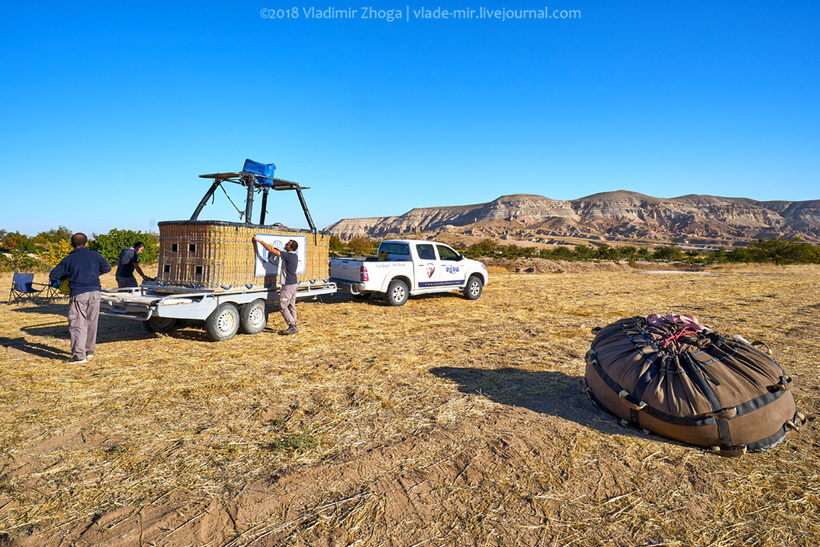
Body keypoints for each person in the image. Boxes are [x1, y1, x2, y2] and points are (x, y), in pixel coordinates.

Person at [49, 233, 112, 364]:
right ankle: (89, 351)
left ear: (72, 245)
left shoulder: (69, 259)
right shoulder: (95, 255)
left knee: (78, 324)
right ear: (86, 243)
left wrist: (66, 277)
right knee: (91, 322)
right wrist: (94, 274)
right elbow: (107, 267)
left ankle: (79, 356)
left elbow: (54, 275)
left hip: (79, 293)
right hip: (95, 293)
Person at [252, 236, 299, 335]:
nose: (285, 244)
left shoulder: (287, 256)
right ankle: (294, 323)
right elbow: (279, 251)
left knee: (282, 306)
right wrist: (275, 249)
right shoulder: (294, 256)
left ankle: (292, 325)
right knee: (291, 305)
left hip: (288, 285)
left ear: (291, 248)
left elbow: (269, 250)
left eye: (287, 244)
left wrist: (260, 240)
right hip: (294, 283)